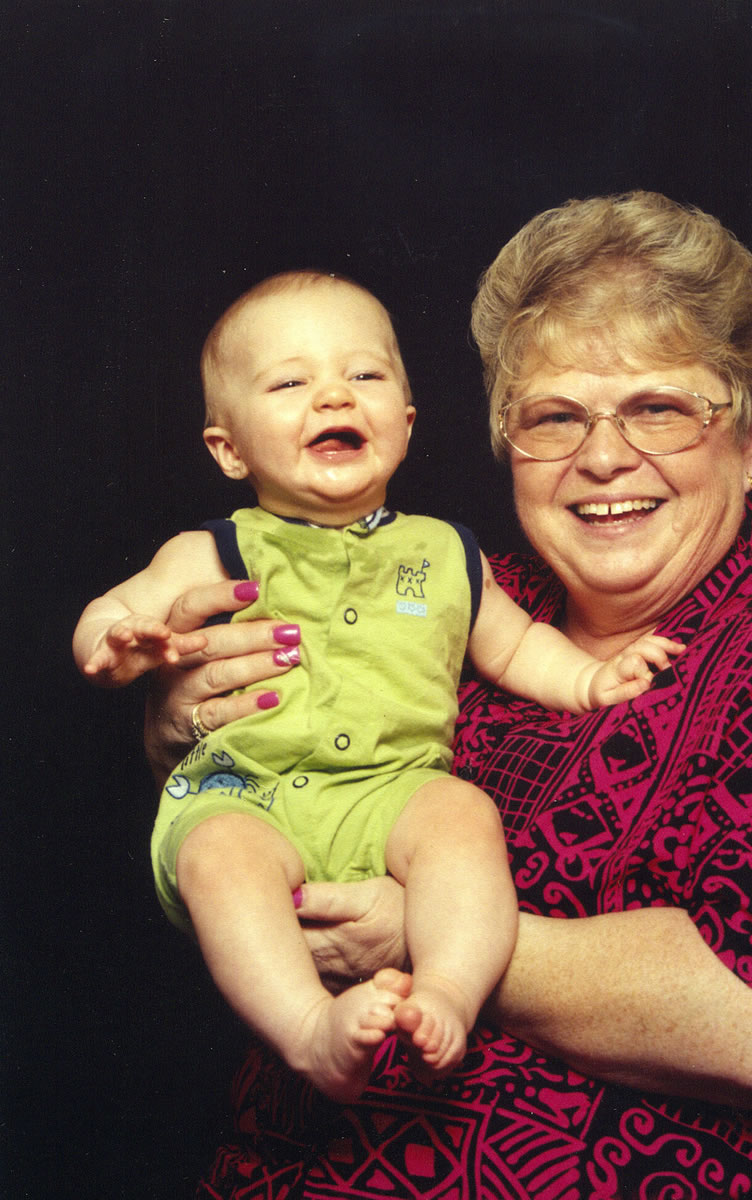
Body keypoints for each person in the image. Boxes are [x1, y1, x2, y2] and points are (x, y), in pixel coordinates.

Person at [143, 193, 752, 1199]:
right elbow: (263, 788)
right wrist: (181, 724)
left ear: (747, 437)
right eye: (553, 416)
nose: (603, 458)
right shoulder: (439, 594)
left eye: (658, 408)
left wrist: (430, 937)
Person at [73, 269, 681, 1103]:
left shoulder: (446, 552)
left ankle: (447, 994)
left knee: (464, 816)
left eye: (364, 375)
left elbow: (517, 647)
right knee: (218, 857)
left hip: (392, 791)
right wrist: (117, 641)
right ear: (229, 447)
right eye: (291, 382)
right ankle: (306, 1029)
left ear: (403, 422)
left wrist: (591, 679)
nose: (333, 397)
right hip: (248, 793)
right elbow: (114, 607)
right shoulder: (218, 548)